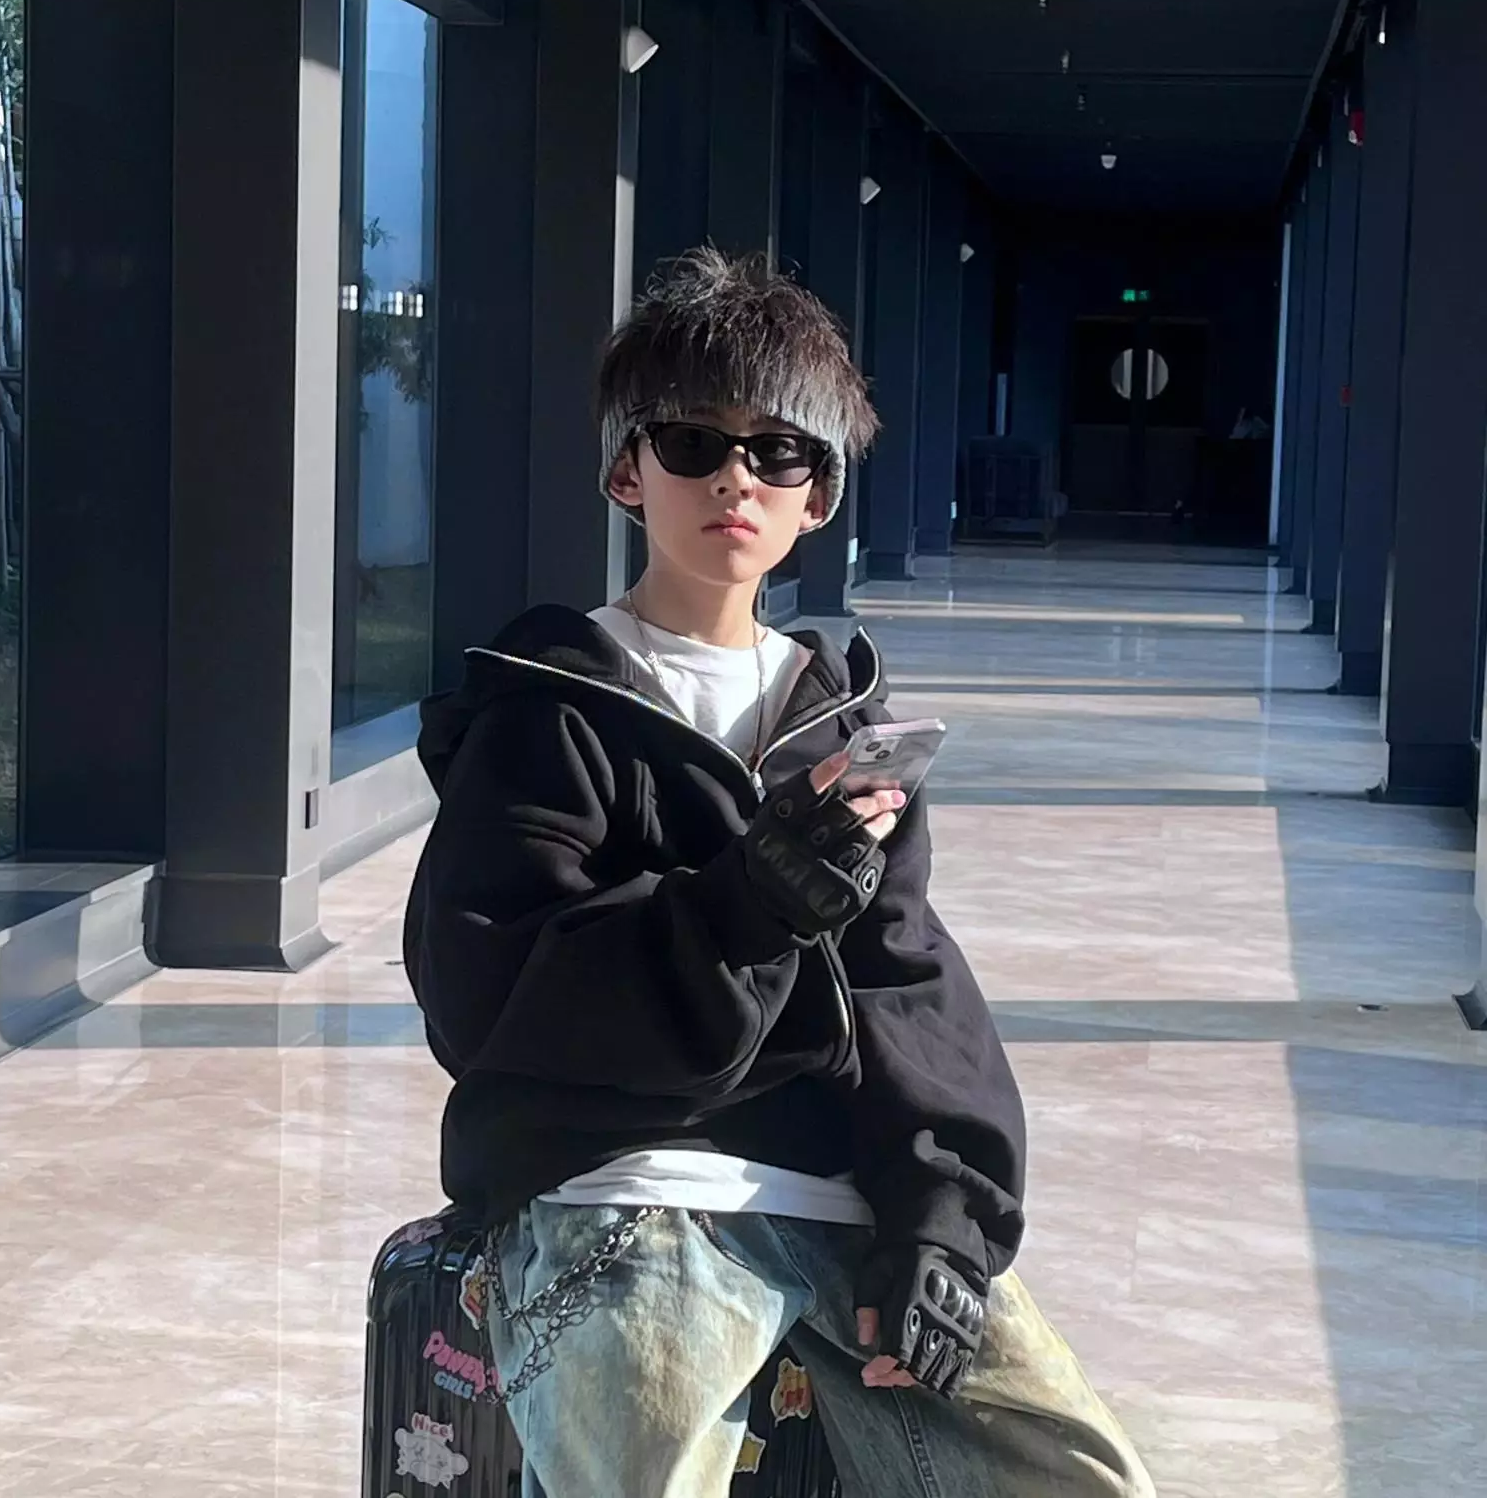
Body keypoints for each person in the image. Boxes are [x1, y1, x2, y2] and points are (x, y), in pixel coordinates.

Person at [404, 249, 1154, 1498]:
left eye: (780, 452)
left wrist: (942, 1224)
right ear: (627, 472)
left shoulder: (844, 727)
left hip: (841, 1197)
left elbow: (905, 983)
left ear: (821, 496)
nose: (735, 477)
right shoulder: (548, 711)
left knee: (1080, 1476)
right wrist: (742, 908)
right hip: (625, 1187)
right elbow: (483, 1002)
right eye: (693, 442)